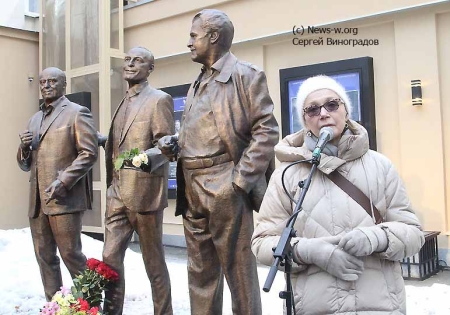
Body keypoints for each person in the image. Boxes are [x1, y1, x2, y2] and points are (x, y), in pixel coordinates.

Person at [251, 75, 425, 314]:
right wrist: (311, 252)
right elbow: (262, 243)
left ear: (346, 110)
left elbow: (414, 234)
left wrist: (376, 238)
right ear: (305, 120)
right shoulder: (286, 175)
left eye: (332, 104)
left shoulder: (381, 166)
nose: (323, 113)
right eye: (312, 109)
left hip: (381, 307)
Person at [159, 9, 279, 315]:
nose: (188, 43)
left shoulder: (245, 75)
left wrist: (239, 181)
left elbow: (266, 131)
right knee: (200, 273)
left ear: (213, 37)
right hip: (192, 187)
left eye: (193, 36)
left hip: (225, 184)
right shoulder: (198, 81)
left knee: (239, 272)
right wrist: (178, 145)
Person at [100, 46, 174, 315]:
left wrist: (143, 159)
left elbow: (166, 146)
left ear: (149, 69)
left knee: (153, 264)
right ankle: (111, 312)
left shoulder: (159, 100)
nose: (130, 65)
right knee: (109, 259)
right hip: (116, 194)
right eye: (127, 60)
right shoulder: (123, 102)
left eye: (137, 61)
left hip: (144, 195)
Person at [17, 67, 98, 301]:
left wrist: (64, 180)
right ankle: (55, 304)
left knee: (71, 254)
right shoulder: (35, 118)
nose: (46, 85)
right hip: (37, 200)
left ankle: (91, 304)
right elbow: (25, 165)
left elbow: (88, 153)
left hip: (65, 198)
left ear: (64, 85)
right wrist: (23, 148)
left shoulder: (77, 113)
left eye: (52, 81)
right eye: (43, 82)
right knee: (44, 256)